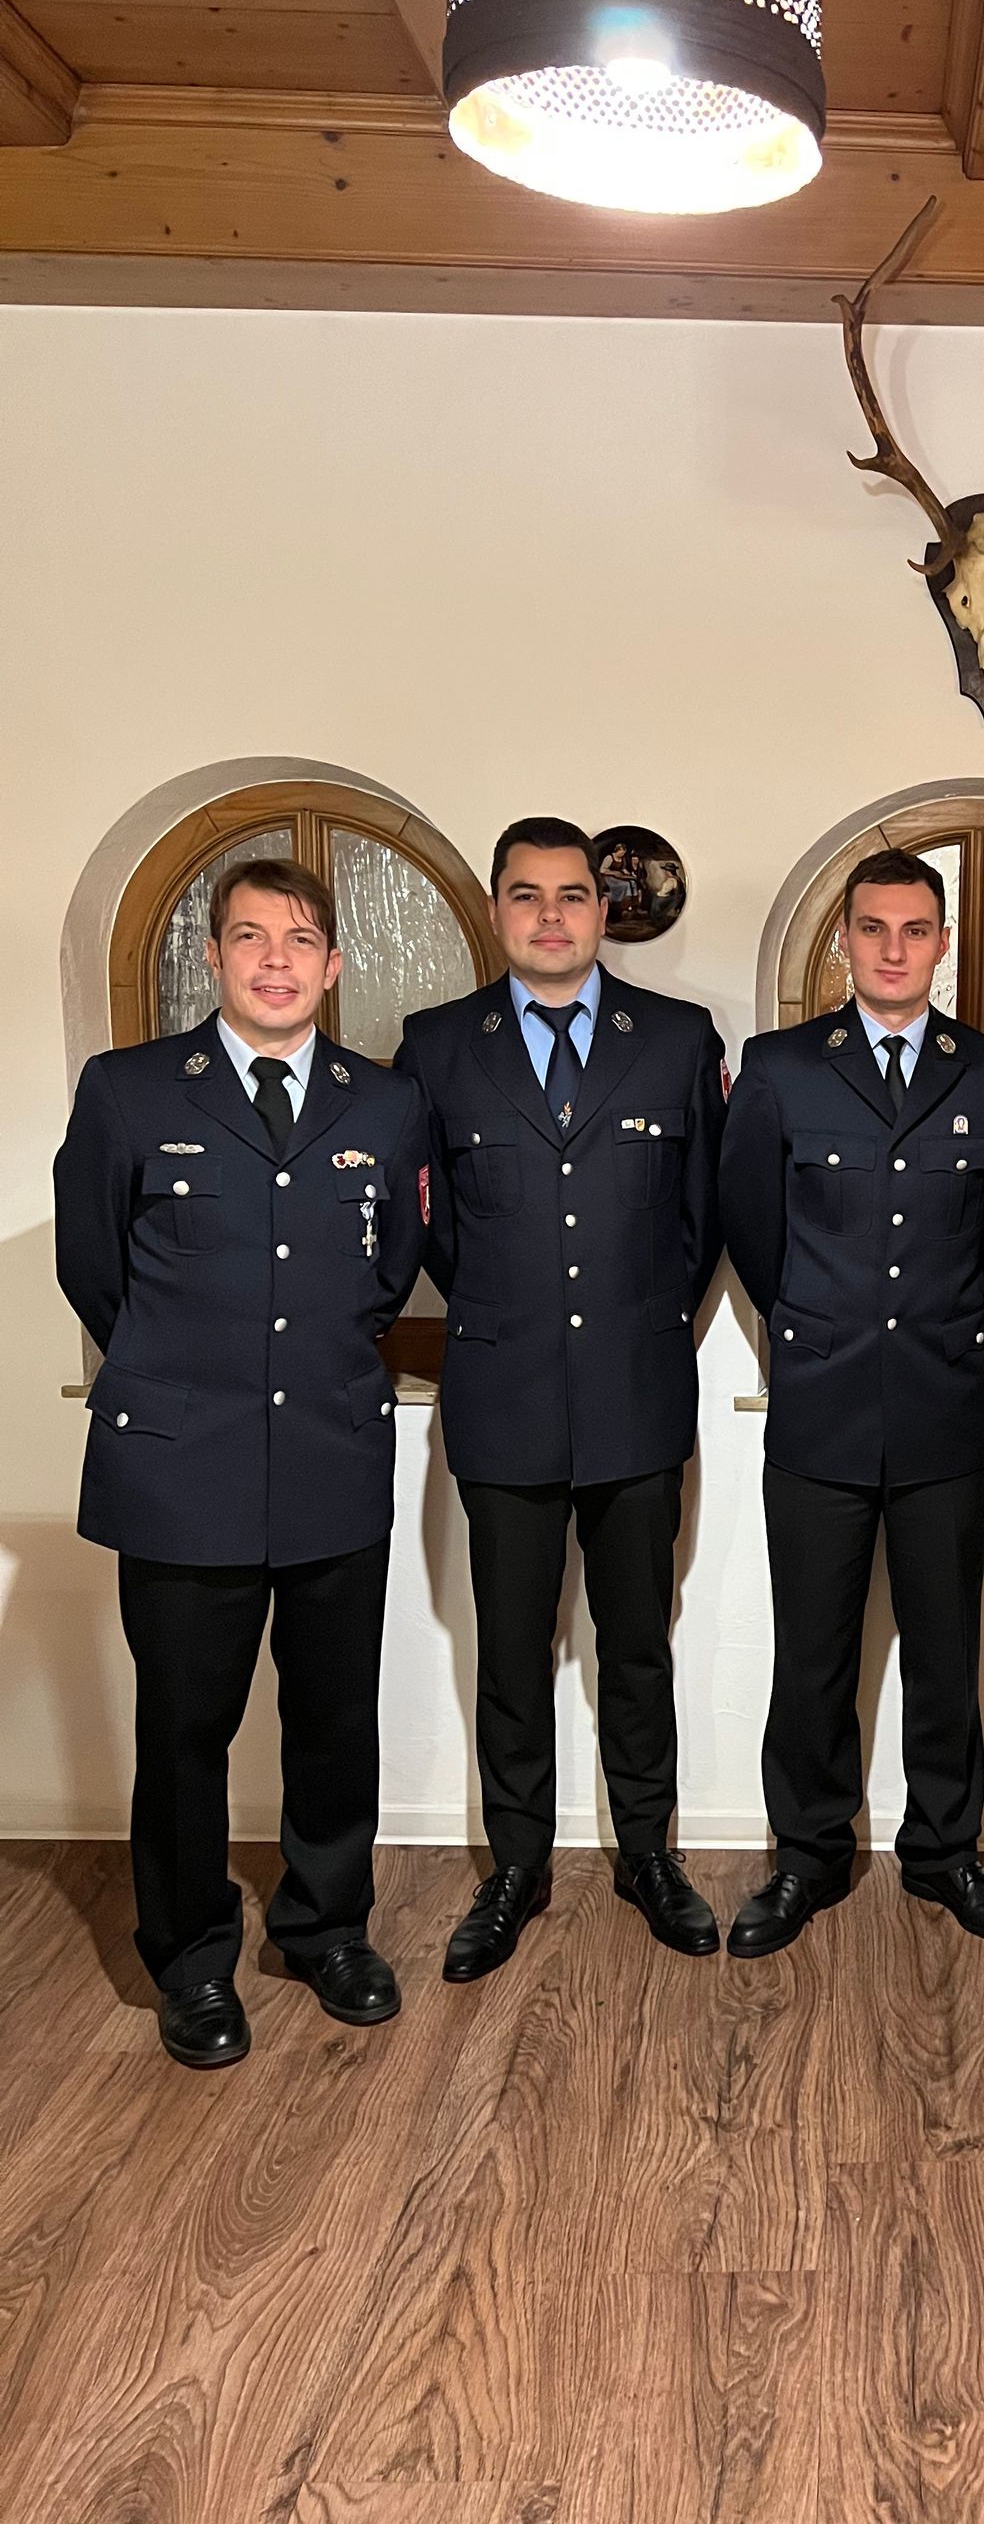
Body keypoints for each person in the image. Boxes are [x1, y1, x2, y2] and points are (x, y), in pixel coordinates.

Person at [53, 859, 431, 2068]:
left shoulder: (386, 1105)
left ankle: (326, 1929)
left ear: (334, 965)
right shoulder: (129, 1091)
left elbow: (387, 1268)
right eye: (251, 936)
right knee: (184, 1728)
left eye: (300, 938)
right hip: (180, 1465)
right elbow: (92, 1266)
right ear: (211, 957)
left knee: (335, 1716)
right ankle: (191, 1959)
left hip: (329, 1449)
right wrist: (182, 1370)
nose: (276, 960)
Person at [395, 818, 727, 1981]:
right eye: (527, 895)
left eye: (572, 894)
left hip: (637, 1393)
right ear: (497, 910)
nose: (551, 915)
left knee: (637, 1644)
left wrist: (633, 1319)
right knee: (511, 1649)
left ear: (603, 908)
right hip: (504, 1395)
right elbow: (431, 1225)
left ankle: (648, 1854)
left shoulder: (676, 1040)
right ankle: (517, 1866)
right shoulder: (437, 1046)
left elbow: (700, 1221)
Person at [718, 849, 984, 1957]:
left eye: (914, 929)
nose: (893, 948)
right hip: (821, 1404)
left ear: (943, 942)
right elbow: (753, 1228)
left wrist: (935, 1322)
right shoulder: (780, 1068)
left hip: (943, 1404)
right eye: (873, 928)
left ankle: (945, 1852)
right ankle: (806, 1855)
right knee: (811, 1652)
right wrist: (818, 1323)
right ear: (845, 940)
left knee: (946, 1649)